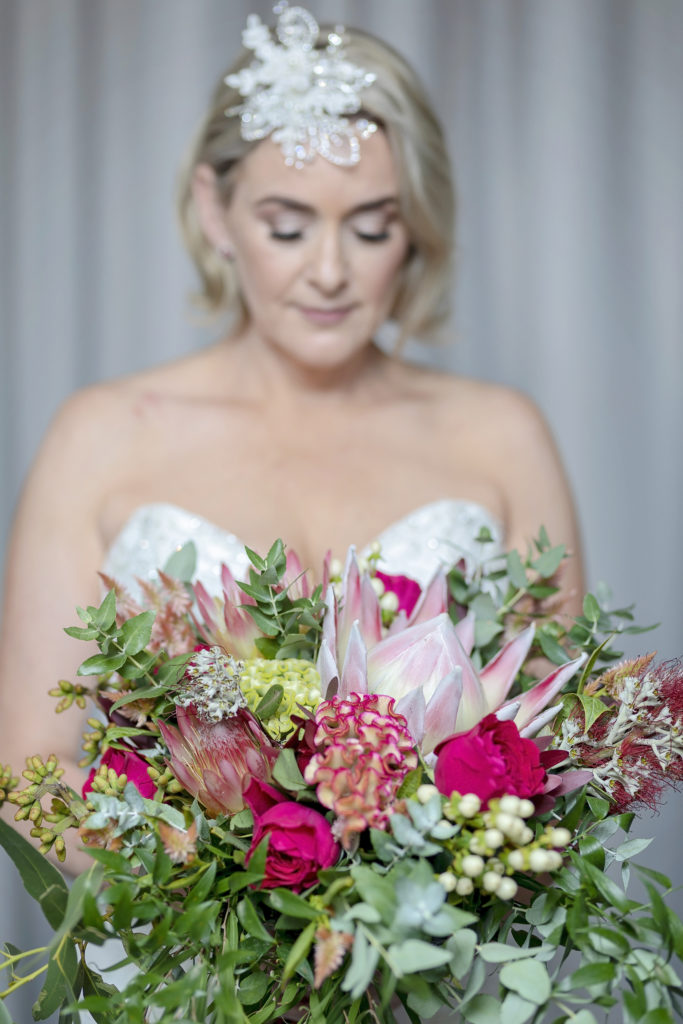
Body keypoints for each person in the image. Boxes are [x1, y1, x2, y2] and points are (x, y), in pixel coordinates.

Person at [0, 6, 583, 873]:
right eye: (286, 224)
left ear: (413, 225)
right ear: (216, 211)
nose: (329, 270)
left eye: (372, 225)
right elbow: (28, 767)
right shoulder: (101, 436)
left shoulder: (501, 436)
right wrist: (223, 901)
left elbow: (554, 752)